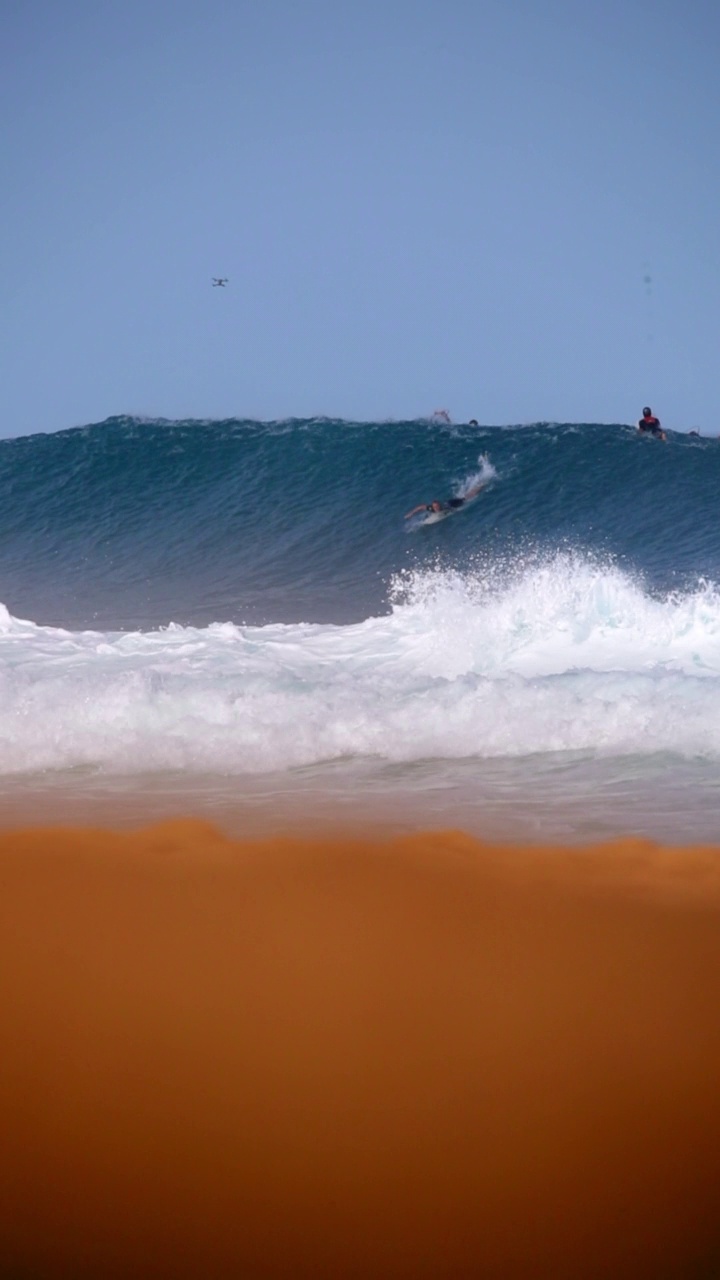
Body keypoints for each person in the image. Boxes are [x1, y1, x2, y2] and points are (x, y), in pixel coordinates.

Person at [405, 481, 486, 519]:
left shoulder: (444, 508)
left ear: (439, 506)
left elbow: (453, 510)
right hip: (447, 503)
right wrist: (410, 513)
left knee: (465, 498)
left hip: (452, 503)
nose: (436, 508)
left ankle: (480, 487)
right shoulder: (431, 508)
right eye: (435, 507)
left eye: (437, 507)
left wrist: (458, 511)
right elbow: (420, 507)